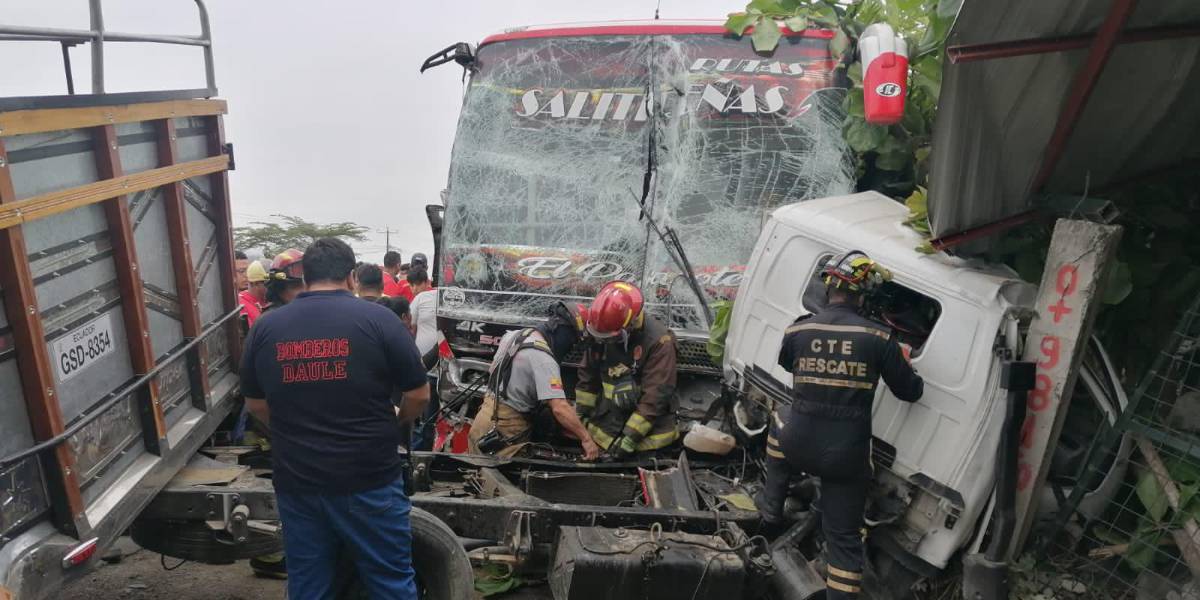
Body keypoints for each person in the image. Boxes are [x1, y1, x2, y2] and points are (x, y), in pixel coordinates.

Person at [241, 238, 430, 599]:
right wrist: (395, 425)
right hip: (370, 479)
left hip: (298, 482)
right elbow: (419, 394)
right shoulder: (380, 320)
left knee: (310, 585)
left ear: (305, 275)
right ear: (352, 276)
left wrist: (288, 431)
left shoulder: (266, 328)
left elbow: (255, 403)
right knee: (389, 581)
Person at [769, 251, 924, 599]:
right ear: (864, 293)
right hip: (845, 460)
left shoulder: (799, 327)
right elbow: (910, 391)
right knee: (844, 542)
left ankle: (768, 512)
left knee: (777, 416)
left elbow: (787, 362)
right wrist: (899, 360)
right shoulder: (880, 338)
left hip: (797, 447)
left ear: (828, 288)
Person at [469, 303, 600, 460]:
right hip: (506, 433)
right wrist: (586, 439)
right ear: (563, 332)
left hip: (482, 422)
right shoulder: (544, 359)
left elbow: (493, 371)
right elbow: (560, 408)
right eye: (572, 341)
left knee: (476, 476)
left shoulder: (513, 335)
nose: (570, 347)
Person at [574, 281, 679, 458]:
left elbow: (655, 397)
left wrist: (630, 438)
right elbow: (587, 378)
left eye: (608, 338)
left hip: (647, 441)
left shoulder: (659, 342)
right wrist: (579, 419)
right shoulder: (601, 327)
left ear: (628, 327)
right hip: (604, 428)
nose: (603, 342)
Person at [238, 261, 269, 332]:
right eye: (269, 283)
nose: (273, 286)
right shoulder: (241, 305)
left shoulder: (268, 300)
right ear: (256, 284)